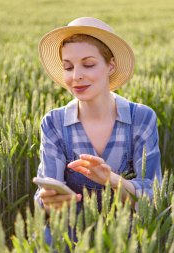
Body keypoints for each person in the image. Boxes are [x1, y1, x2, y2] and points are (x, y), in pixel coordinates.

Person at [34, 16, 162, 245]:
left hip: (125, 241)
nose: (76, 76)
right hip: (68, 240)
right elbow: (44, 193)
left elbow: (154, 195)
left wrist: (112, 180)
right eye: (68, 67)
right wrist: (48, 201)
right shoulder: (53, 123)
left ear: (110, 65)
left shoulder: (141, 119)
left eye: (89, 64)